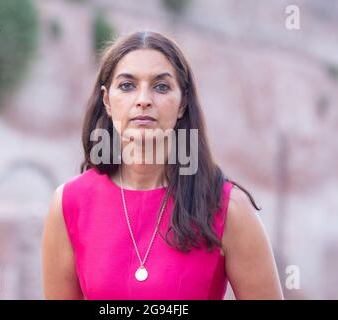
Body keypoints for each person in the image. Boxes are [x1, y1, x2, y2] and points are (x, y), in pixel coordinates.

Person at [41, 30, 283, 300]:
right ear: (107, 101)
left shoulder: (228, 208)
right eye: (127, 85)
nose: (143, 100)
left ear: (183, 103)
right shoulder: (69, 203)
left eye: (161, 87)